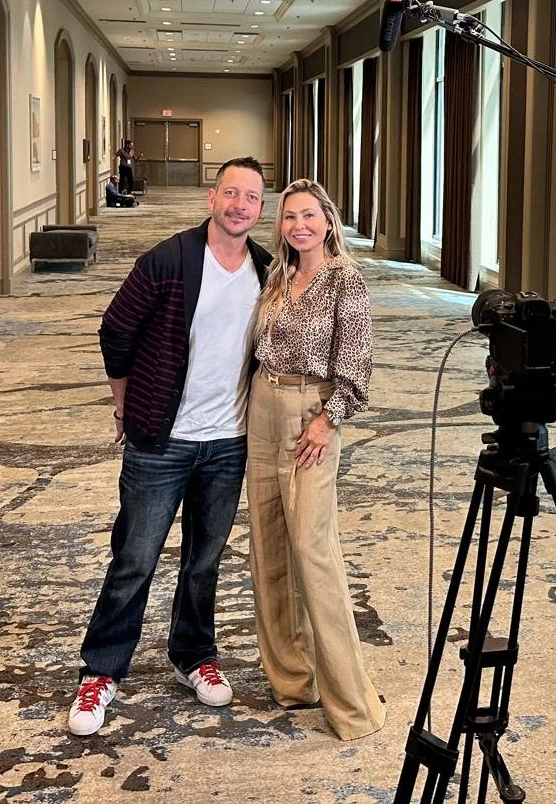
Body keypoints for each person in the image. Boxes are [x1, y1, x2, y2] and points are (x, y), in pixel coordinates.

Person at [68, 157, 271, 737]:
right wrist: (123, 405)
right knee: (135, 560)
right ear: (213, 197)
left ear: (261, 208)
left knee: (204, 562)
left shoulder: (266, 269)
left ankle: (192, 656)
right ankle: (101, 671)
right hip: (163, 441)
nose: (239, 205)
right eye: (230, 192)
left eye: (252, 197)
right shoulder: (168, 260)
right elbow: (116, 329)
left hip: (229, 443)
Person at [245, 178, 385, 740]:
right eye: (288, 217)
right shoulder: (278, 275)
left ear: (327, 221)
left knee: (312, 547)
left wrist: (328, 420)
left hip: (312, 413)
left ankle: (352, 704)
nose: (298, 225)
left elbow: (358, 361)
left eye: (309, 215)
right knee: (267, 543)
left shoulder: (344, 280)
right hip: (262, 404)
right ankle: (291, 681)